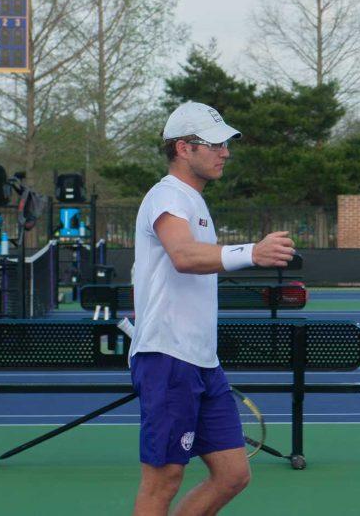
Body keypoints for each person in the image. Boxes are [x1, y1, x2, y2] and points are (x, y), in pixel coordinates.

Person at [129, 102, 295, 516]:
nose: (226, 153)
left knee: (232, 474)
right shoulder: (167, 195)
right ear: (184, 148)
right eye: (216, 144)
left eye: (226, 144)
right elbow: (183, 256)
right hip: (168, 358)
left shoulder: (194, 201)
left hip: (202, 361)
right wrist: (251, 253)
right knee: (162, 480)